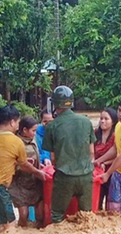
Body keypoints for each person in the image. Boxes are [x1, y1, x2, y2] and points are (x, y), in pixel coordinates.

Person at [0, 105, 46, 233]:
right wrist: (37, 172)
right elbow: (24, 164)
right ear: (13, 122)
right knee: (10, 227)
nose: (18, 125)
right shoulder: (16, 141)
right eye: (18, 122)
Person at [42, 85, 96, 223]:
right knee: (86, 217)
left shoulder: (52, 126)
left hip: (64, 177)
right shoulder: (86, 122)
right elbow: (91, 152)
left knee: (57, 216)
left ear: (54, 104)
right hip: (86, 176)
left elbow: (53, 158)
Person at [10, 116, 45, 227]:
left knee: (40, 215)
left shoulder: (33, 140)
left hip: (35, 182)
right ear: (24, 130)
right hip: (20, 183)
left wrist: (41, 164)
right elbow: (13, 163)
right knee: (24, 215)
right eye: (33, 130)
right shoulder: (15, 143)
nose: (35, 133)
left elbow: (38, 154)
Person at [91, 107, 119, 210]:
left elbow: (118, 156)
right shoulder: (95, 133)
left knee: (110, 206)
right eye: (101, 118)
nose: (102, 121)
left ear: (113, 122)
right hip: (97, 173)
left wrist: (104, 162)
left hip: (111, 173)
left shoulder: (116, 136)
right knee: (96, 204)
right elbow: (90, 152)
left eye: (106, 119)